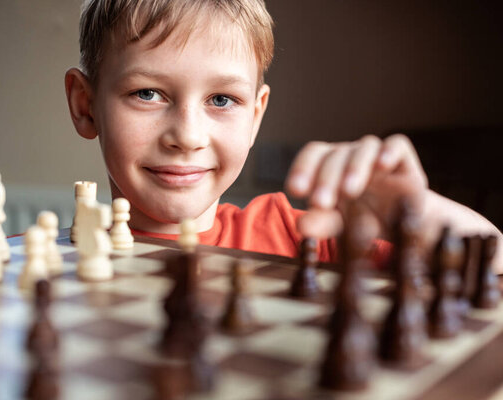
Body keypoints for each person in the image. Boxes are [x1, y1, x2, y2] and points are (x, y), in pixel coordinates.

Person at [64, 0, 503, 271]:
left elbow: (495, 261)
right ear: (86, 106)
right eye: (147, 93)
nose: (188, 135)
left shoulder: (297, 239)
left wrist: (414, 213)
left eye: (221, 100)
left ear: (256, 117)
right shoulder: (59, 258)